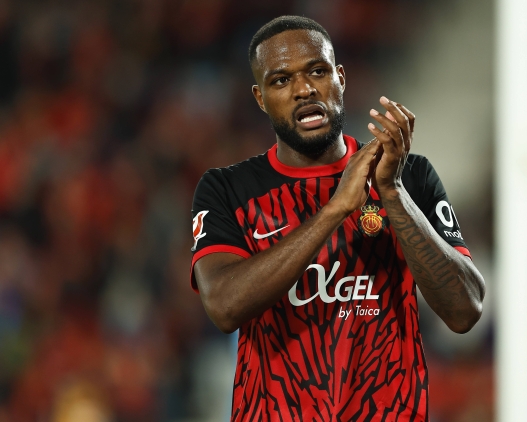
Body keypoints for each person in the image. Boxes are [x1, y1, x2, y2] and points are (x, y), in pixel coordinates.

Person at [189, 15, 485, 421]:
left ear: (340, 78)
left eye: (317, 71)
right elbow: (224, 306)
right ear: (260, 98)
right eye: (281, 80)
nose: (304, 89)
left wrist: (392, 193)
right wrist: (335, 209)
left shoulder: (410, 176)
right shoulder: (228, 189)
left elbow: (464, 310)